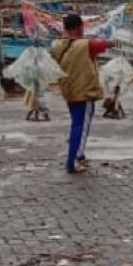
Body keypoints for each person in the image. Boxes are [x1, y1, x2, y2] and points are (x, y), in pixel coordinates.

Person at [51, 14, 111, 174]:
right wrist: (113, 41)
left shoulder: (57, 45)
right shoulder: (86, 45)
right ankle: (73, 160)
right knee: (81, 126)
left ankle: (80, 155)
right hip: (84, 91)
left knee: (76, 123)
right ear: (79, 27)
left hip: (68, 90)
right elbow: (105, 44)